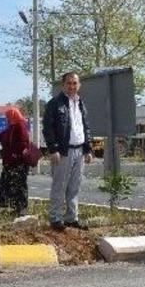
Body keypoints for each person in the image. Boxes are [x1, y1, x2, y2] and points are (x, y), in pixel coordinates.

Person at [43, 72, 93, 231]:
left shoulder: (80, 103)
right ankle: (55, 219)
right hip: (63, 151)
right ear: (63, 85)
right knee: (59, 186)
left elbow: (85, 127)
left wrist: (88, 149)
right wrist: (53, 149)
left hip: (80, 150)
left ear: (79, 85)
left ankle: (72, 218)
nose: (72, 86)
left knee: (75, 187)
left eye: (74, 83)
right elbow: (48, 128)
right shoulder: (55, 103)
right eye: (69, 83)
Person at [0, 107, 30, 215]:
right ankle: (5, 206)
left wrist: (16, 154)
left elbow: (24, 142)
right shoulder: (12, 126)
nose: (7, 119)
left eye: (8, 116)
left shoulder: (20, 126)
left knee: (19, 185)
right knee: (6, 183)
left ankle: (21, 209)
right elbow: (2, 135)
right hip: (10, 162)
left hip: (19, 162)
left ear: (13, 116)